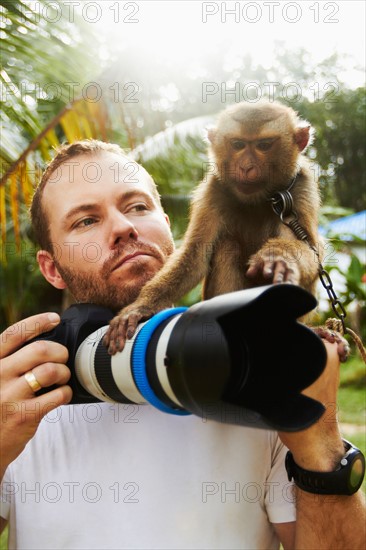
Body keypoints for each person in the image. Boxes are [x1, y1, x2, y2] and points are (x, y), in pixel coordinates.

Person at [0, 140, 364, 549]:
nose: (123, 227)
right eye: (86, 221)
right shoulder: (17, 400)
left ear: (171, 227)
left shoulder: (252, 365)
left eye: (137, 206)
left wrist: (320, 444)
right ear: (52, 269)